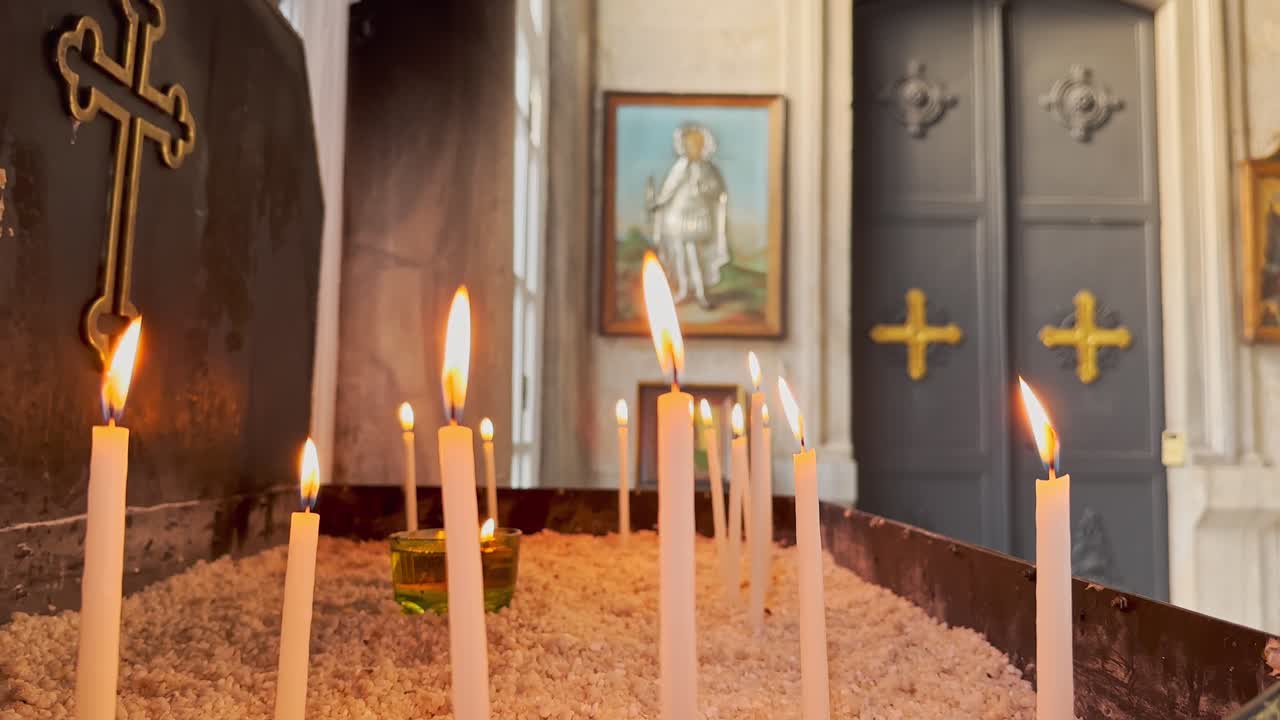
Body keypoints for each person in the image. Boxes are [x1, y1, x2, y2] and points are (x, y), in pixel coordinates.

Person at [645, 124, 731, 309]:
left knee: (695, 254)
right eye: (688, 143)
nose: (691, 147)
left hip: (698, 216)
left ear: (703, 145)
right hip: (678, 215)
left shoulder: (709, 168)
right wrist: (657, 203)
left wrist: (704, 187)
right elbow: (669, 189)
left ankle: (701, 292)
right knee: (679, 255)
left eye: (695, 143)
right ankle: (683, 290)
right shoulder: (680, 166)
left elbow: (718, 191)